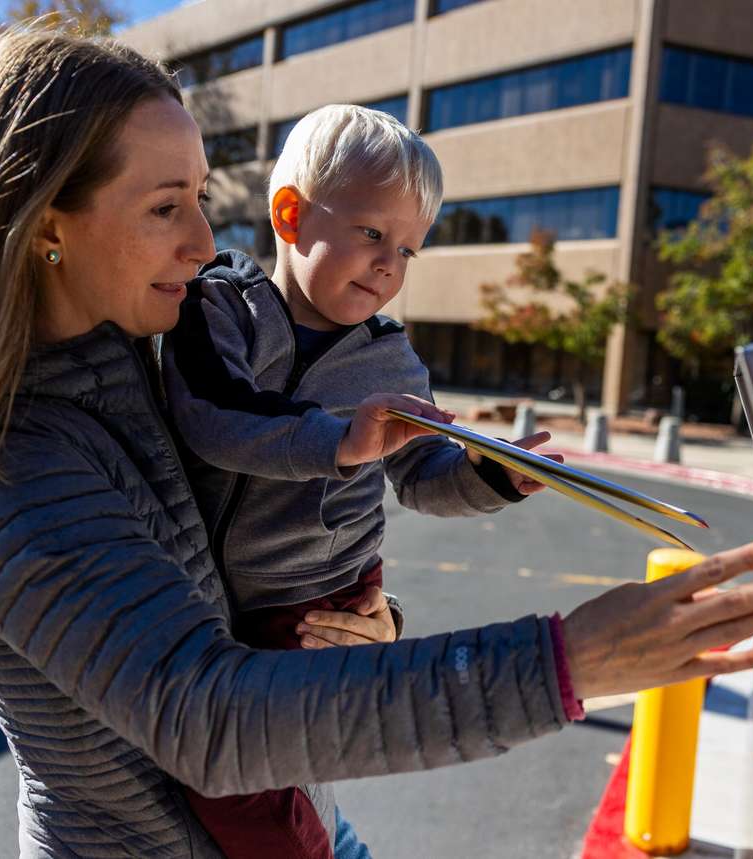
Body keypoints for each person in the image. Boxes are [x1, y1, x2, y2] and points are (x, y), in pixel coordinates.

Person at [0, 27, 753, 859]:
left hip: (297, 810)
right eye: (163, 206)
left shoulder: (135, 342)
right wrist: (569, 663)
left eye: (198, 197)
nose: (202, 241)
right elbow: (205, 712)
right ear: (43, 224)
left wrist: (366, 618)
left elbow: (237, 551)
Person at [162, 104, 559, 858]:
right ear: (289, 214)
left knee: (232, 769)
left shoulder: (392, 359)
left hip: (323, 596)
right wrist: (340, 440)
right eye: (373, 234)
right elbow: (215, 415)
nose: (389, 265)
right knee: (239, 752)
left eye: (410, 250)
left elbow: (421, 477)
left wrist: (487, 476)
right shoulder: (218, 308)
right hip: (221, 598)